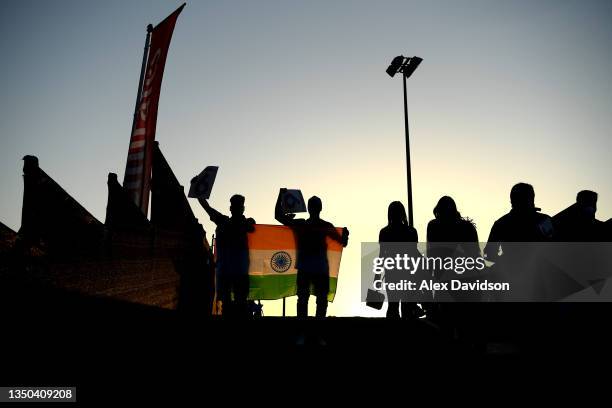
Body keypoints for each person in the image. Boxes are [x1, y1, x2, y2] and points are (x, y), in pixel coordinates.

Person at [275, 189, 348, 318]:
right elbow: (343, 242)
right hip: (319, 268)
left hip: (306, 267)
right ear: (320, 208)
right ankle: (317, 328)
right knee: (319, 300)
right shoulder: (324, 226)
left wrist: (281, 195)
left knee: (304, 299)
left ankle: (305, 327)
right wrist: (345, 235)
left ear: (309, 208)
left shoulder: (302, 224)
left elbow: (278, 216)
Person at [425, 196, 480, 335]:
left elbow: (431, 257)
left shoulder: (434, 226)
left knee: (445, 326)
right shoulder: (466, 227)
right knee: (464, 325)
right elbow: (475, 257)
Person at [199, 195, 255, 318]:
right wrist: (199, 196)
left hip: (234, 269)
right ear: (231, 208)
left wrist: (199, 196)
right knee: (231, 302)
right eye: (236, 206)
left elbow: (208, 208)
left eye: (238, 206)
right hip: (230, 269)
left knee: (237, 301)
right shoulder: (226, 221)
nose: (237, 208)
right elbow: (208, 208)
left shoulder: (241, 223)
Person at [378, 201, 422, 319]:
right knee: (407, 308)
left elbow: (382, 256)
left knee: (393, 306)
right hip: (409, 274)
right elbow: (414, 254)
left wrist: (377, 276)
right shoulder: (411, 231)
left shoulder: (384, 232)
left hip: (392, 274)